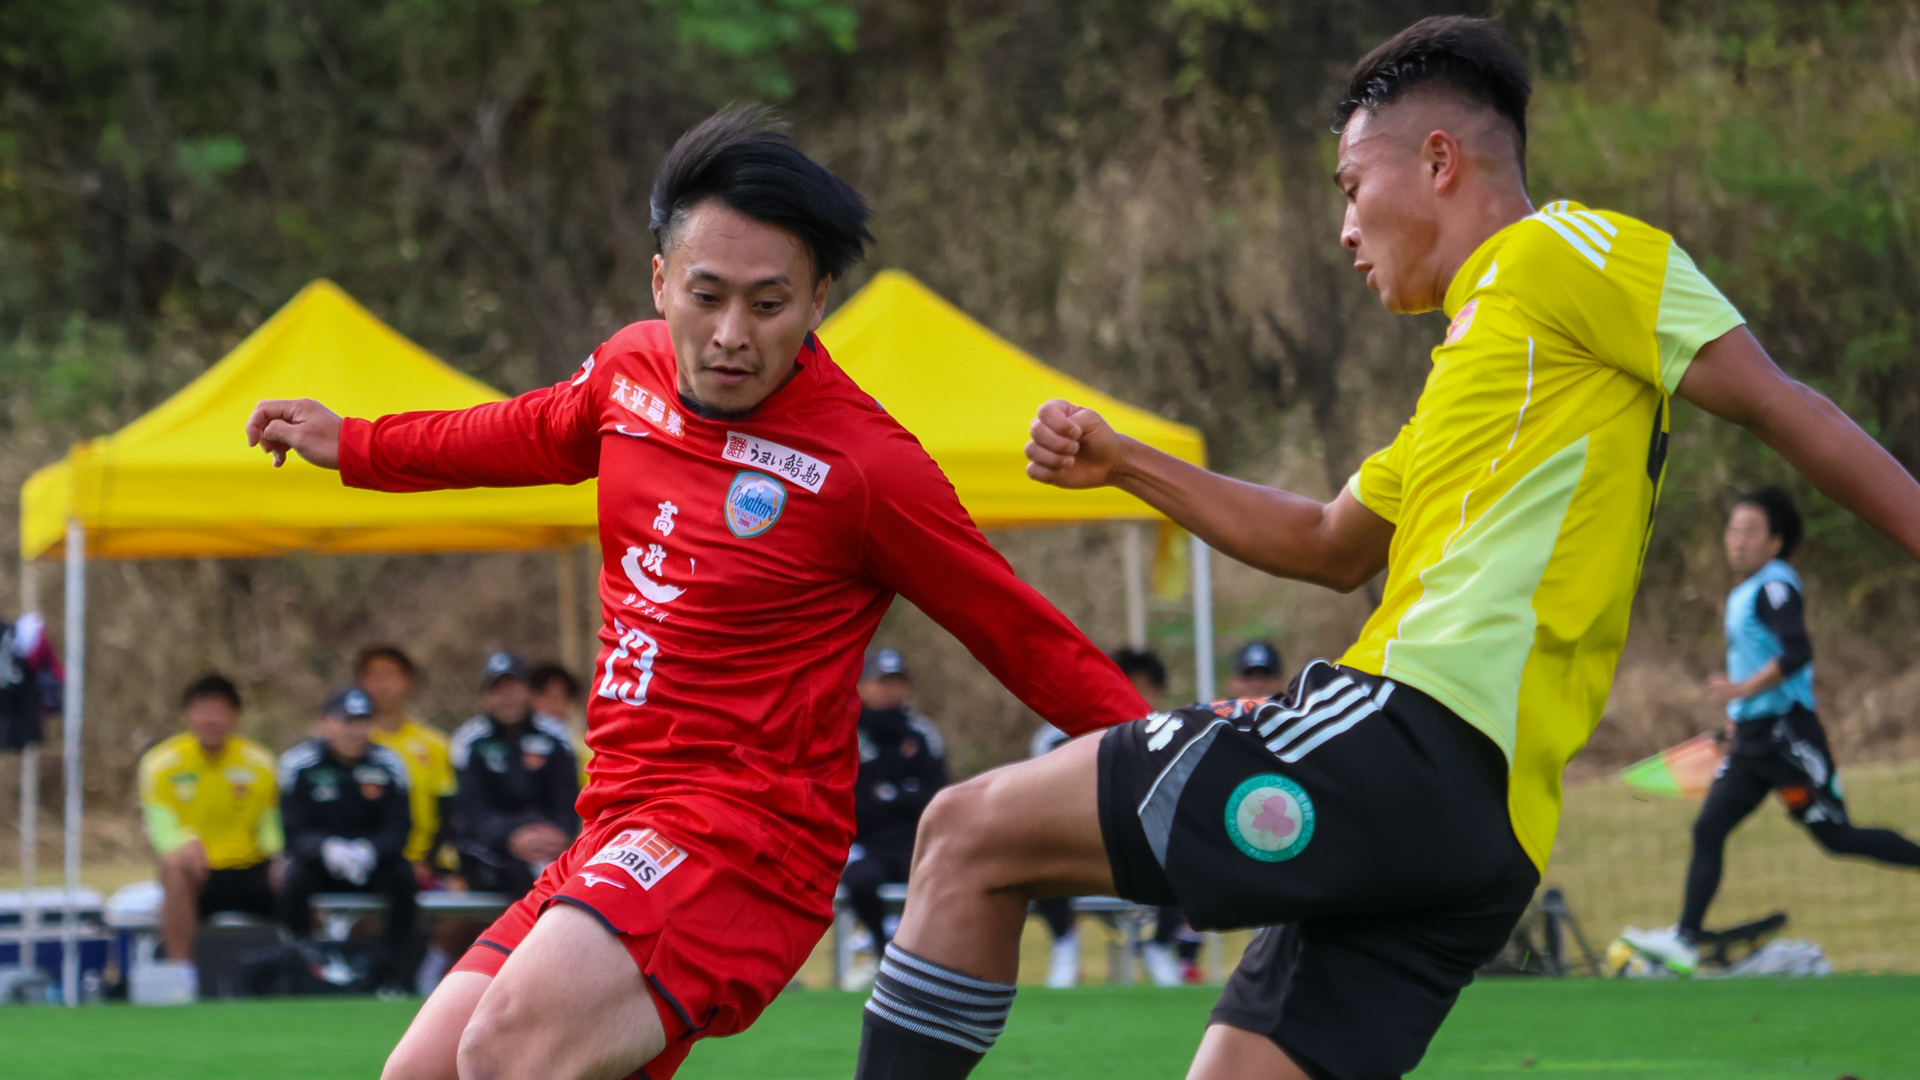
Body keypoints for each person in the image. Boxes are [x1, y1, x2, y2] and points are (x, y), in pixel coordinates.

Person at [854, 16, 1920, 1080]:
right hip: (1477, 839)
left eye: (1350, 186)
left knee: (963, 833)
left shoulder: (1564, 250)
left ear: (1441, 161)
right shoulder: (1478, 379)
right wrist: (1132, 465)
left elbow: (1785, 408)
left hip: (1409, 741)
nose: (1345, 225)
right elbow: (1326, 540)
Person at [248, 105, 1144, 1080]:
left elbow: (1020, 633)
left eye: (767, 305)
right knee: (419, 1071)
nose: (730, 335)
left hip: (747, 843)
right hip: (620, 824)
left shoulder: (864, 467)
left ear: (818, 303)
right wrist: (357, 444)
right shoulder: (626, 373)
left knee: (508, 1048)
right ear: (660, 279)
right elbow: (525, 429)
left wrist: (1180, 769)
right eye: (706, 295)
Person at [1626, 489, 1920, 973]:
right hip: (1753, 741)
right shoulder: (1747, 591)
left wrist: (1741, 688)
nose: (1737, 541)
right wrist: (1737, 718)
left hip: (1788, 742)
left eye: (1750, 531)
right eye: (1732, 530)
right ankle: (1685, 938)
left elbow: (1797, 652)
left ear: (1776, 542)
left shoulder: (1775, 587)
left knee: (1838, 838)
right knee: (1708, 828)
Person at [279, 687, 418, 992]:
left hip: (372, 861)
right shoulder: (298, 765)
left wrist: (370, 851)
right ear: (325, 723)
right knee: (292, 877)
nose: (355, 731)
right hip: (321, 862)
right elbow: (292, 831)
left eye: (362, 722)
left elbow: (399, 828)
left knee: (404, 877)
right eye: (346, 722)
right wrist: (327, 850)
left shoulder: (389, 764)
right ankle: (301, 963)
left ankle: (395, 974)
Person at [137, 674, 281, 970]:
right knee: (174, 868)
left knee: (296, 872)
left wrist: (280, 855)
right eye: (203, 711)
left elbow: (271, 824)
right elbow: (160, 826)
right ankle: (181, 973)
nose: (211, 720)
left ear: (235, 717)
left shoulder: (260, 763)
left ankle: (312, 970)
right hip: (198, 873)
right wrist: (183, 845)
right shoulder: (161, 764)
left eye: (219, 712)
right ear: (188, 715)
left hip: (249, 869)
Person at [841, 648, 949, 976]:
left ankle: (920, 960)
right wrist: (899, 793)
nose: (890, 690)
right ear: (861, 685)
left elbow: (938, 793)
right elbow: (853, 798)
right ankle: (878, 948)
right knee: (861, 879)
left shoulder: (922, 733)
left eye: (896, 682)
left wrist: (889, 795)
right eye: (881, 682)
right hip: (861, 841)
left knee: (939, 880)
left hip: (912, 840)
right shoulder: (845, 730)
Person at [449, 653, 581, 899]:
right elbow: (469, 813)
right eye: (497, 689)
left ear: (528, 691)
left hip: (550, 843)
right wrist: (511, 836)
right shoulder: (469, 741)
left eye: (513, 687)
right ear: (486, 697)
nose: (507, 697)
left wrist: (560, 832)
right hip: (491, 851)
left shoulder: (557, 737)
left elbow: (568, 799)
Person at [359, 645, 458, 885]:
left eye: (390, 674)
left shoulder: (435, 745)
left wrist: (426, 860)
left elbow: (447, 813)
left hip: (426, 863)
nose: (382, 684)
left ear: (409, 682)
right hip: (369, 863)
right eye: (374, 675)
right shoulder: (353, 745)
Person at [528, 661, 592, 789]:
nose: (550, 706)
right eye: (543, 697)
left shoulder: (582, 749)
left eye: (556, 698)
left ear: (570, 703)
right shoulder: (517, 740)